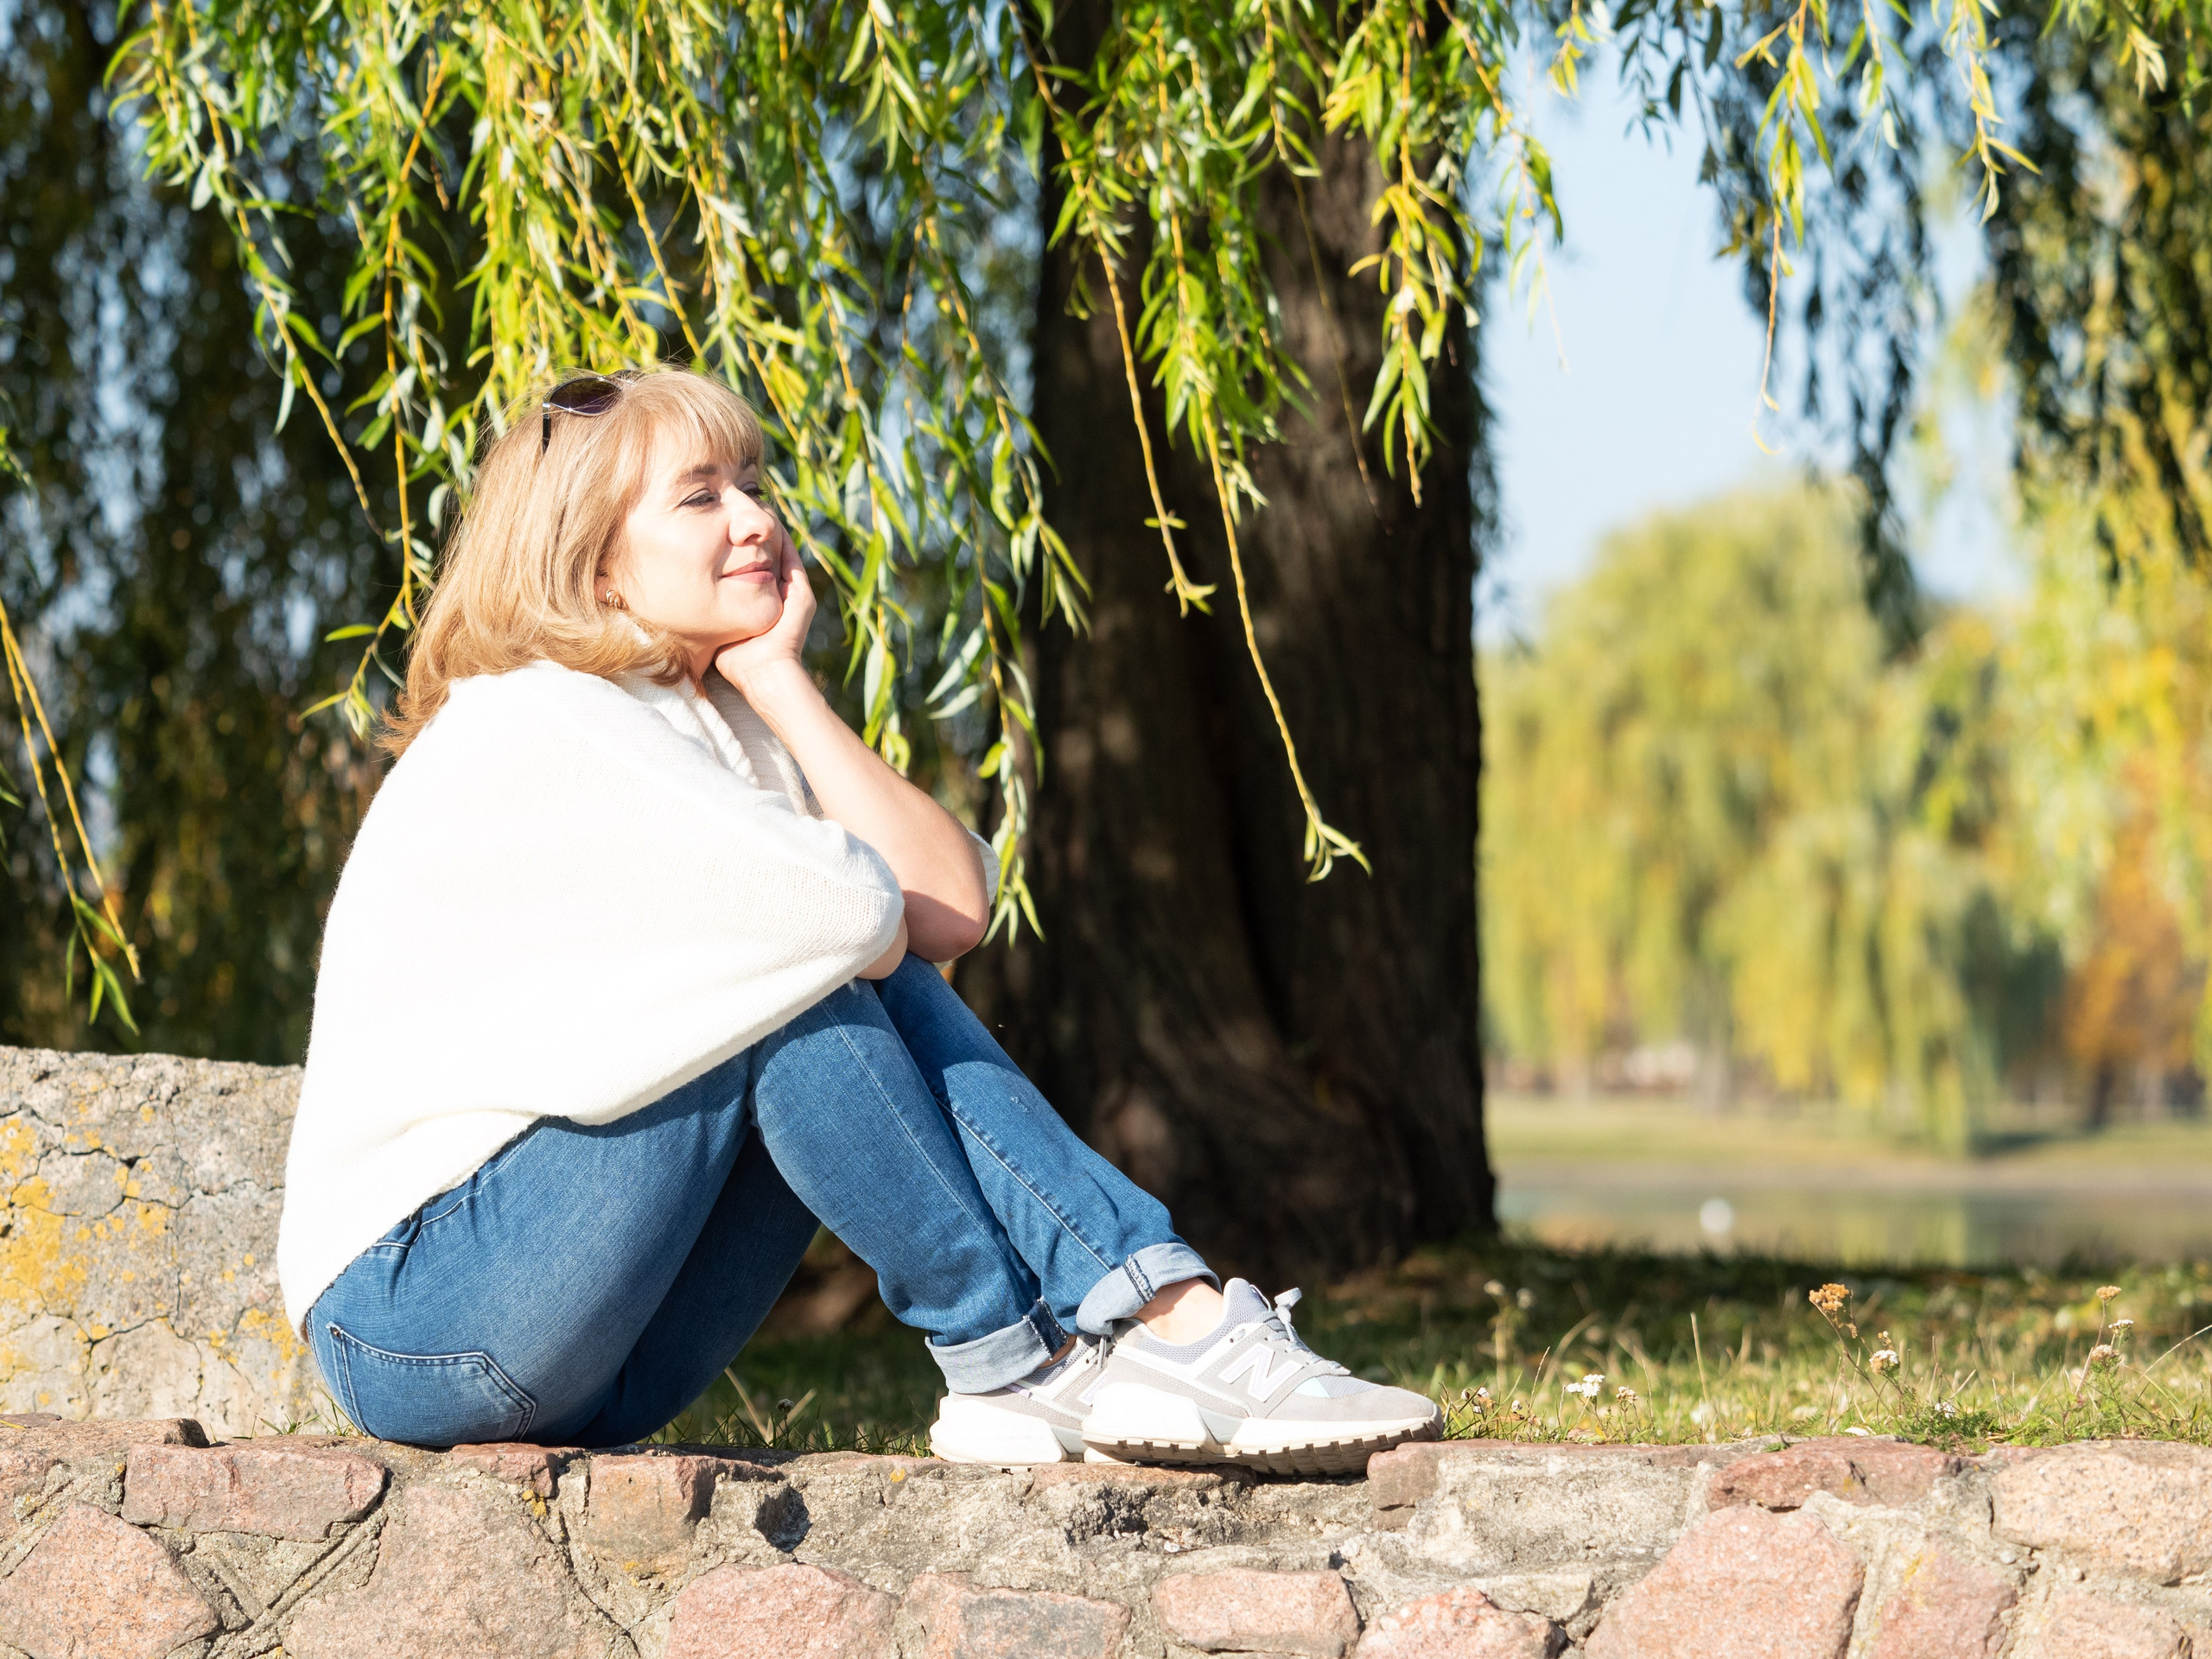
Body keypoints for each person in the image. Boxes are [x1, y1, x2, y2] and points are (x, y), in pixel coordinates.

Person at [275, 366, 1440, 1472]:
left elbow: (952, 909)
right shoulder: (538, 723)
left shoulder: (717, 726)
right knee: (789, 989)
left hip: (603, 1349)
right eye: (700, 497)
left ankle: (1092, 1342)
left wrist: (781, 682)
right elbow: (863, 920)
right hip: (415, 1319)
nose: (755, 519)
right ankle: (1109, 1332)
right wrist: (849, 901)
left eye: (753, 482)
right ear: (600, 570)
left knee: (806, 963)